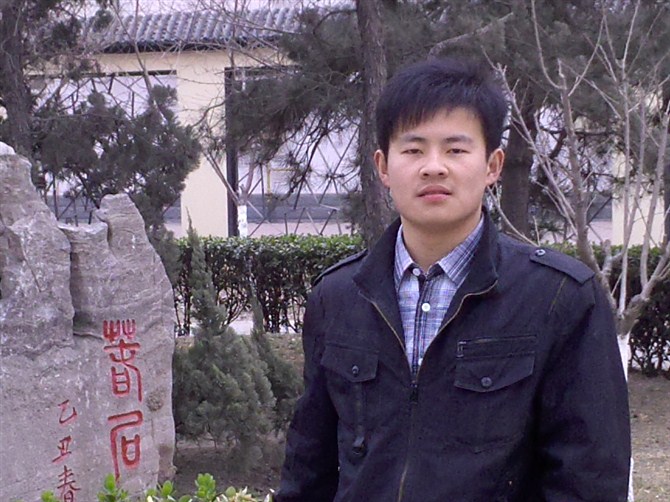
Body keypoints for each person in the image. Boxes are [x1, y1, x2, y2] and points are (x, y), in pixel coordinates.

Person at [275, 57, 631, 501]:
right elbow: (308, 468)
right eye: (413, 150)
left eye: (456, 150)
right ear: (383, 167)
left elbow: (590, 479)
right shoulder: (339, 296)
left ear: (492, 165)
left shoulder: (559, 296)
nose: (434, 167)